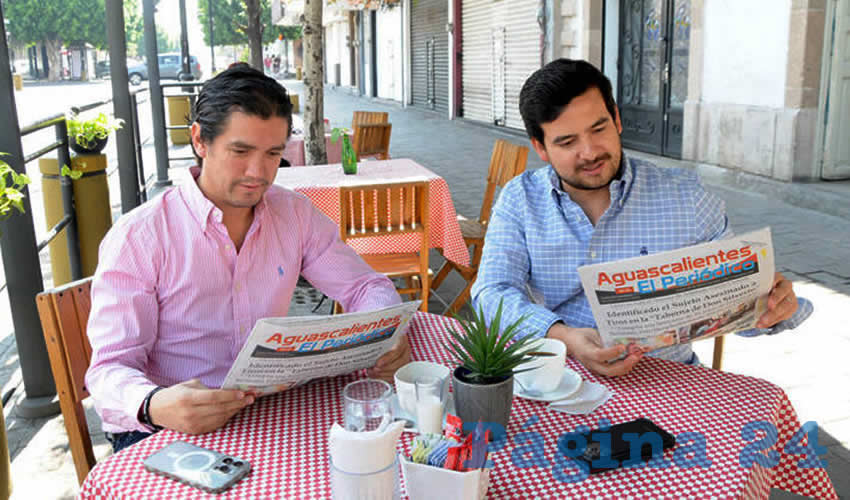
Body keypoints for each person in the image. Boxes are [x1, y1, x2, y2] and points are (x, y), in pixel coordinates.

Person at [85, 65, 409, 452]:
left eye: (273, 154)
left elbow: (366, 286)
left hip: (267, 409)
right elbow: (108, 370)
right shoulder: (141, 236)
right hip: (168, 429)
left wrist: (384, 332)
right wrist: (155, 403)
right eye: (240, 151)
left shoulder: (294, 215)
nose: (258, 172)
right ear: (200, 141)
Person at [471, 59, 812, 378]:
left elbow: (738, 303)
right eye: (567, 141)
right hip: (562, 376)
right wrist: (562, 336)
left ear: (617, 119)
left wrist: (772, 307)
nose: (589, 152)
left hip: (668, 381)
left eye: (599, 129)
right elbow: (492, 292)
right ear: (541, 148)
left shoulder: (686, 197)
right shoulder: (521, 200)